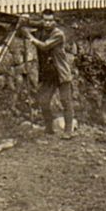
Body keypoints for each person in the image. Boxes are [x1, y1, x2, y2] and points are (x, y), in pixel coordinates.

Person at [25, 8, 76, 139]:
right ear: (42, 21)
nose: (48, 23)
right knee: (43, 101)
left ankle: (68, 130)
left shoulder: (58, 34)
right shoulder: (40, 32)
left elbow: (44, 46)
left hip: (60, 72)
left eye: (50, 21)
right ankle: (49, 127)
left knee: (66, 101)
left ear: (54, 21)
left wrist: (29, 37)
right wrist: (23, 23)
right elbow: (25, 29)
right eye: (45, 21)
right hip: (48, 73)